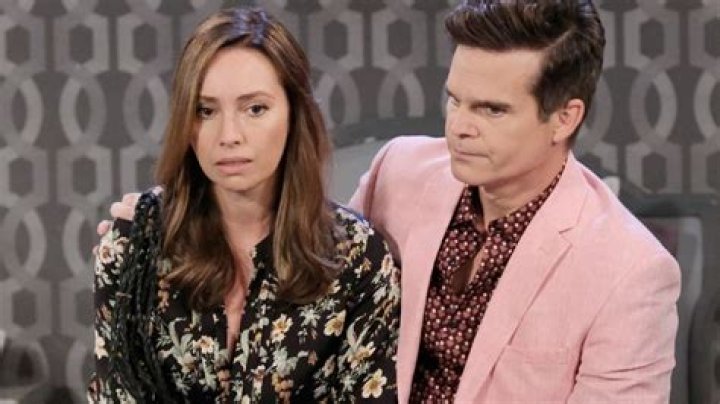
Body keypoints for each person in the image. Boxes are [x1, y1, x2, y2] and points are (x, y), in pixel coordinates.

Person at [102, 1, 681, 403]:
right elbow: (308, 258)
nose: (459, 127)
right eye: (455, 100)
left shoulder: (628, 272)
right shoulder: (400, 172)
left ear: (565, 117)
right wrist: (170, 213)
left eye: (491, 110)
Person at [88, 7, 399, 403]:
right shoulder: (136, 245)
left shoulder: (355, 256)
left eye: (255, 109)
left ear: (295, 114)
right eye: (206, 111)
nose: (229, 135)